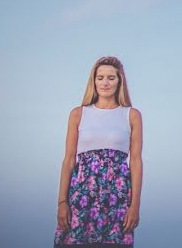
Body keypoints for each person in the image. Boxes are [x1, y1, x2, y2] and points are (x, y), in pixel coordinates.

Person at [54, 56, 143, 247]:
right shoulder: (78, 114)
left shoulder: (131, 115)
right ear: (93, 81)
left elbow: (135, 162)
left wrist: (134, 206)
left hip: (117, 198)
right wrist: (62, 202)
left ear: (119, 81)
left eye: (111, 78)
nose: (105, 82)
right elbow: (68, 160)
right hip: (81, 196)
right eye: (100, 77)